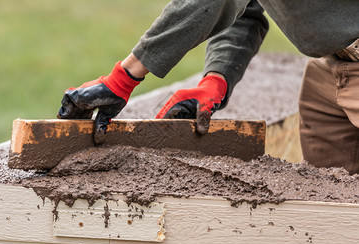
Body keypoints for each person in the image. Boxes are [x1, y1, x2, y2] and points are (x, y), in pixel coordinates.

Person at [58, 0, 359, 174]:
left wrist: (124, 78)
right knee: (330, 209)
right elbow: (245, 11)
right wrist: (216, 79)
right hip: (334, 64)